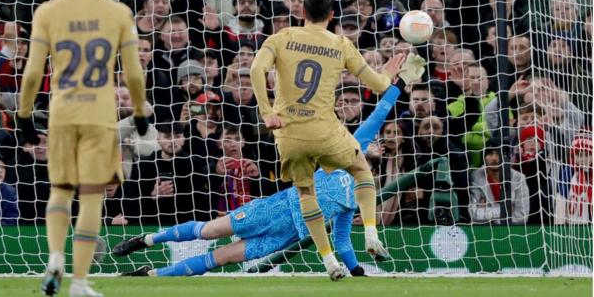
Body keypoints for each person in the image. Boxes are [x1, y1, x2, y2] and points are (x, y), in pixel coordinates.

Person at [113, 81, 411, 278]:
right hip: (275, 209)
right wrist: (397, 86)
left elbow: (343, 240)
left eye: (381, 147)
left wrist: (357, 272)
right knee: (210, 231)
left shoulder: (360, 194)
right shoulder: (347, 154)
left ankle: (151, 276)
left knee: (222, 258)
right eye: (374, 142)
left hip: (285, 236)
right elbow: (377, 116)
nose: (377, 144)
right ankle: (146, 239)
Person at [249, 0, 424, 280]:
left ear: (301, 13)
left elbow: (256, 68)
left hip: (289, 134)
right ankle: (370, 232)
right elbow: (380, 85)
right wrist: (389, 71)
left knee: (306, 193)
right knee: (361, 171)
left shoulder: (279, 38)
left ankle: (329, 260)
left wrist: (267, 111)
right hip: (325, 131)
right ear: (332, 17)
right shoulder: (340, 43)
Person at [16, 0, 148, 296]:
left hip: (62, 113)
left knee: (59, 191)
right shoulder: (117, 12)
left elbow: (32, 73)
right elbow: (134, 74)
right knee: (91, 197)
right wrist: (139, 111)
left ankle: (55, 257)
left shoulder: (48, 11)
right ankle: (78, 282)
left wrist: (24, 114)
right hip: (100, 116)